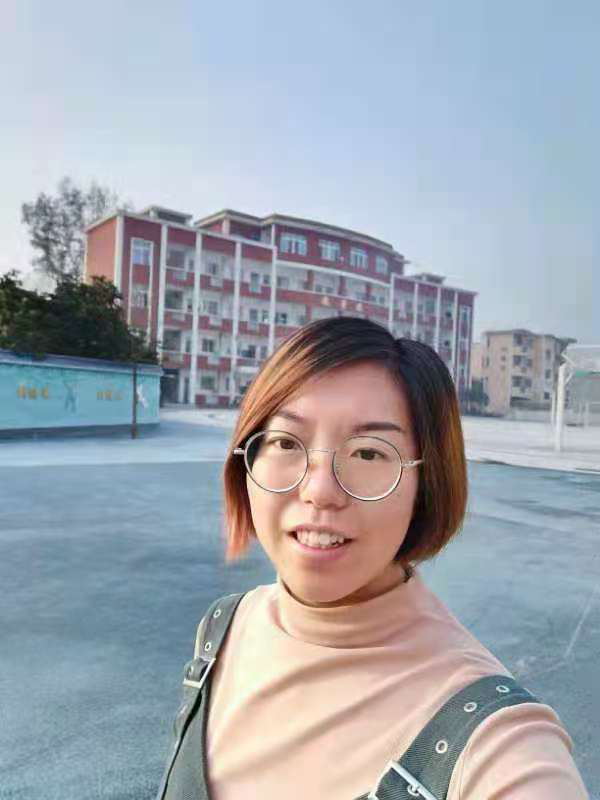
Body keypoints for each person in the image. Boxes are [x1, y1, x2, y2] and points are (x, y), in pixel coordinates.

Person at [159, 316, 588, 800]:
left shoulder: (496, 742)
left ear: (426, 484)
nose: (320, 491)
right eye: (285, 442)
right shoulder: (223, 628)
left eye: (367, 453)